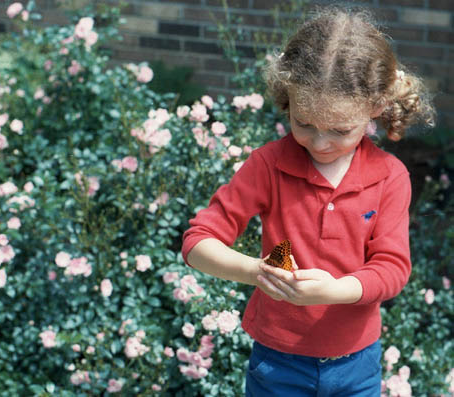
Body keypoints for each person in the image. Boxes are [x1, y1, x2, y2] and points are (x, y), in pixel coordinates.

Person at [181, 6, 435, 396]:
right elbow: (198, 243)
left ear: (377, 106)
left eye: (340, 129)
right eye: (304, 123)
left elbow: (392, 268)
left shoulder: (389, 177)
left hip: (357, 362)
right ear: (288, 98)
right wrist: (258, 272)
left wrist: (336, 290)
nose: (320, 143)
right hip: (278, 360)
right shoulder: (268, 165)